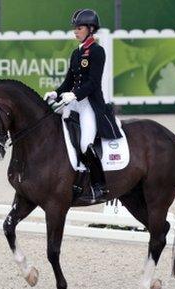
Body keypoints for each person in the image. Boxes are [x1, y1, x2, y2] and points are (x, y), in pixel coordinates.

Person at [44, 8, 122, 204]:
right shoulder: (76, 52)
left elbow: (93, 83)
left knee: (84, 143)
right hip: (73, 102)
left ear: (90, 29)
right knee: (56, 132)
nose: (75, 31)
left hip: (89, 104)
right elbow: (69, 80)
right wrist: (57, 92)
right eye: (75, 28)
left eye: (79, 28)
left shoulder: (97, 51)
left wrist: (74, 95)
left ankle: (98, 185)